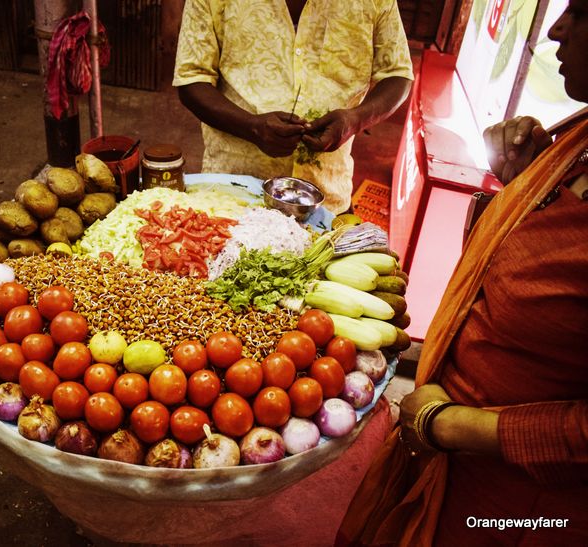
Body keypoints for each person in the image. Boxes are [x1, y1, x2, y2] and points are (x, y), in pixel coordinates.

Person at [337, 3, 588, 545]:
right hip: (446, 449)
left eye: (584, 12)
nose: (555, 28)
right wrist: (525, 185)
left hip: (521, 507)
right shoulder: (578, 141)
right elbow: (525, 272)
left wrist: (449, 425)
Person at [172, 0, 414, 214]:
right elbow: (191, 79)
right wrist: (252, 127)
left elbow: (397, 74)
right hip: (233, 197)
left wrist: (355, 120)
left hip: (326, 200)